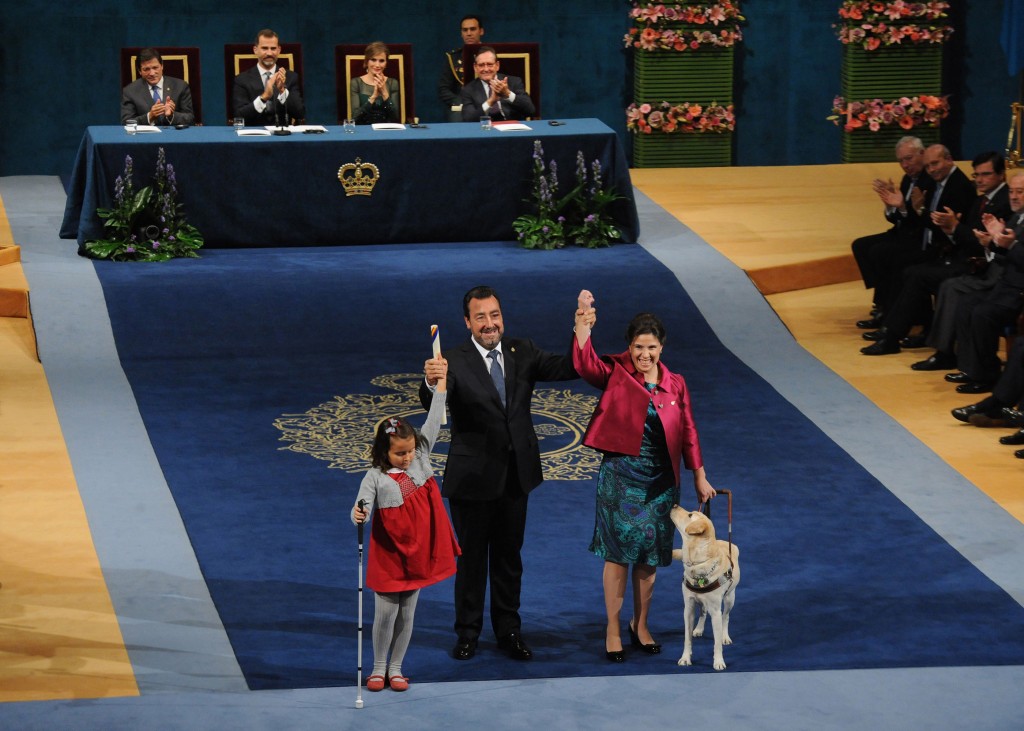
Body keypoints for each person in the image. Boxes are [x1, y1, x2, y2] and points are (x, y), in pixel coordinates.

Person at [419, 285, 577, 662]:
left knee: (509, 558)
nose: (489, 324)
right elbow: (433, 402)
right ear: (467, 322)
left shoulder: (523, 350)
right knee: (471, 560)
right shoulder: (452, 361)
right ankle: (468, 632)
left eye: (494, 315)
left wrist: (581, 330)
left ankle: (509, 630)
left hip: (515, 477)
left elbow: (568, 366)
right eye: (481, 317)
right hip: (472, 480)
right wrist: (430, 380)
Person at [571, 291, 716, 663]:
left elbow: (688, 432)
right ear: (629, 346)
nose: (644, 354)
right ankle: (614, 628)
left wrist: (698, 475)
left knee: (650, 556)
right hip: (620, 479)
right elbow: (587, 367)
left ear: (661, 347)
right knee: (618, 556)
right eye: (638, 347)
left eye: (651, 347)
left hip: (661, 483)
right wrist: (582, 326)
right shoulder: (618, 374)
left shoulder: (676, 383)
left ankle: (642, 623)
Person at [351, 358, 460, 692]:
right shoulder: (375, 476)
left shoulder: (422, 453)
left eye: (410, 451)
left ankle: (397, 668)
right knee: (385, 613)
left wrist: (440, 385)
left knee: (408, 612)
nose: (408, 457)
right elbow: (361, 504)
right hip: (391, 552)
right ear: (385, 452)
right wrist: (359, 513)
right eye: (400, 453)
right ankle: (378, 668)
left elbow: (433, 420)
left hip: (420, 550)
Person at [861, 147, 995, 356]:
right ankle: (895, 323)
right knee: (894, 260)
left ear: (949, 160)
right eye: (928, 166)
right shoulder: (940, 184)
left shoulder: (959, 186)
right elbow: (926, 221)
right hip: (941, 245)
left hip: (953, 252)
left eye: (935, 164)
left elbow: (941, 224)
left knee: (910, 268)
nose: (931, 170)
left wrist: (923, 212)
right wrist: (904, 208)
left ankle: (894, 330)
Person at [942, 181, 1024, 393]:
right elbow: (1006, 255)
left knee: (983, 313)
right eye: (1012, 191)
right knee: (966, 302)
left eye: (1020, 192)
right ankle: (971, 369)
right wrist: (991, 244)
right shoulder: (1016, 218)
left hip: (1019, 291)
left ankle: (988, 376)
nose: (1014, 196)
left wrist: (1009, 245)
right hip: (1005, 285)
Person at [850, 136, 934, 328]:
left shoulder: (929, 180)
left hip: (918, 237)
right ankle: (882, 297)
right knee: (860, 245)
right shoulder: (907, 179)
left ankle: (886, 305)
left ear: (922, 154)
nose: (905, 165)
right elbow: (897, 217)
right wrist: (891, 207)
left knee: (880, 252)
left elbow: (920, 220)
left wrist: (903, 207)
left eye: (909, 158)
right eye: (901, 161)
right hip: (902, 231)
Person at [231, 29, 306, 127]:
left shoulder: (291, 77)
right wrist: (264, 97)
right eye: (264, 48)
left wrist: (282, 91)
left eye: (273, 48)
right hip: (253, 136)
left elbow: (300, 114)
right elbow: (239, 116)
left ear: (279, 50)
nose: (269, 53)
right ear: (255, 50)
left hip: (282, 136)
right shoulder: (241, 79)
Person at [120, 48, 195, 127]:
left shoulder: (180, 86)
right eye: (146, 69)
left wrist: (172, 116)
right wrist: (149, 117)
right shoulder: (130, 91)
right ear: (139, 71)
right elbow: (126, 122)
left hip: (174, 137)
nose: (152, 73)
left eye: (155, 68)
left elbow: (190, 119)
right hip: (145, 138)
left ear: (162, 66)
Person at [459, 47, 535, 122]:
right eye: (481, 65)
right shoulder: (468, 90)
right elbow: (468, 119)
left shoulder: (514, 82)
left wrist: (508, 94)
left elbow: (530, 111)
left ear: (497, 65)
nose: (486, 69)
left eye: (490, 64)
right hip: (485, 130)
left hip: (511, 129)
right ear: (475, 67)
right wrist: (490, 102)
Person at [439, 14, 485, 122]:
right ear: (461, 33)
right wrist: (459, 101)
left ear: (481, 31)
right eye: (465, 30)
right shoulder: (453, 58)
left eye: (472, 29)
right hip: (462, 106)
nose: (469, 33)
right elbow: (443, 89)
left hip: (489, 102)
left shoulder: (492, 55)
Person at [350, 42, 401, 125]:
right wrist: (373, 97)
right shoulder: (356, 82)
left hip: (387, 131)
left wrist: (384, 92)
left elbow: (395, 118)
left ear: (386, 63)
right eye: (373, 60)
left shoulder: (392, 83)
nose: (377, 65)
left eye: (381, 61)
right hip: (363, 131)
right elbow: (354, 118)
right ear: (367, 61)